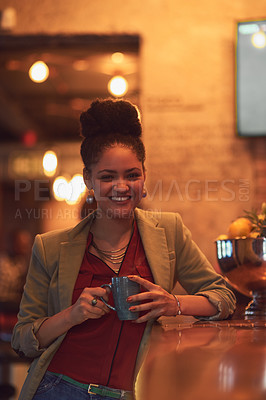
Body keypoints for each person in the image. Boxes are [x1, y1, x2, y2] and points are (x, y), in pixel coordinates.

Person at [11, 99, 236, 400]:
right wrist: (72, 315)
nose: (122, 186)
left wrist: (173, 303)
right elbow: (22, 340)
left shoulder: (168, 232)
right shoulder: (50, 247)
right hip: (59, 388)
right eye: (107, 177)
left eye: (132, 175)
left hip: (135, 392)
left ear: (144, 178)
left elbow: (223, 297)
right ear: (88, 180)